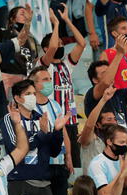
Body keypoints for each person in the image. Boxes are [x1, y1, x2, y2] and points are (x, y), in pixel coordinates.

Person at [0, 79, 64, 195]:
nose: (33, 97)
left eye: (34, 94)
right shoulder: (10, 119)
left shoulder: (41, 118)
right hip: (20, 182)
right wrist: (42, 134)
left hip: (43, 181)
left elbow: (55, 151)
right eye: (28, 94)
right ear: (17, 98)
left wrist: (57, 131)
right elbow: (17, 147)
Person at [39, 5, 86, 168]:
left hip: (71, 120)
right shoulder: (43, 66)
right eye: (57, 43)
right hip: (54, 122)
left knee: (75, 165)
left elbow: (82, 43)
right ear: (45, 49)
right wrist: (56, 25)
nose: (60, 45)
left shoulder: (67, 64)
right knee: (58, 165)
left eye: (61, 43)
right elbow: (52, 47)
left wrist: (66, 20)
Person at [29, 65, 71, 195]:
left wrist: (69, 156)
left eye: (50, 79)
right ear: (35, 85)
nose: (49, 82)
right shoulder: (30, 108)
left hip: (59, 164)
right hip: (43, 164)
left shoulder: (55, 105)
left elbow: (64, 132)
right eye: (45, 79)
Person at [83, 36, 127, 126]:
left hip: (125, 136)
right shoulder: (93, 95)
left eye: (110, 71)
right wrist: (119, 53)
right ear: (95, 80)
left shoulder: (119, 94)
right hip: (105, 138)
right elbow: (106, 82)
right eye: (104, 73)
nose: (110, 74)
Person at [88, 124, 127, 195]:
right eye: (121, 142)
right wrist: (122, 173)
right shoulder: (97, 164)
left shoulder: (121, 159)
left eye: (126, 143)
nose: (124, 146)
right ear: (109, 142)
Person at [78, 86, 117, 172]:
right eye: (109, 119)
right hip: (92, 184)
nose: (114, 122)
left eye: (115, 119)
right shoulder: (91, 140)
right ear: (98, 124)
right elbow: (89, 126)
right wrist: (103, 100)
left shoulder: (116, 142)